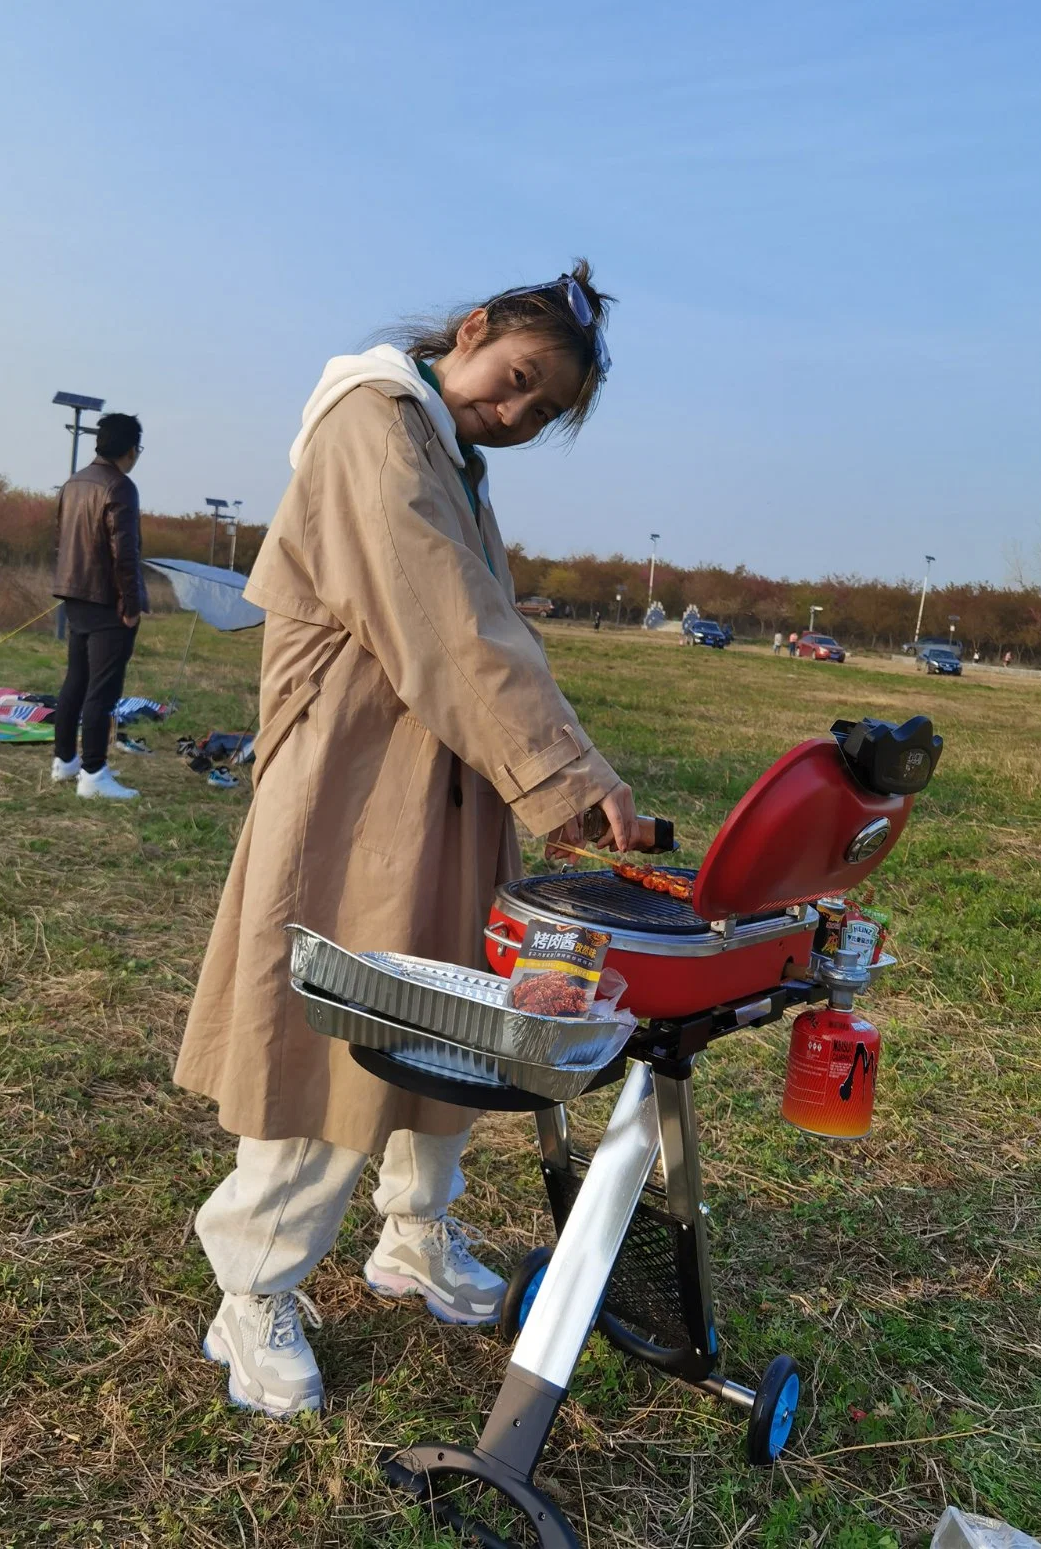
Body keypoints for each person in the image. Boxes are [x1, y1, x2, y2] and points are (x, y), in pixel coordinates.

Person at [175, 261, 642, 1417]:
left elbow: (479, 634)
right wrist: (566, 770)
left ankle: (412, 1234)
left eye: (540, 413)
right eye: (516, 381)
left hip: (446, 784)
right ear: (470, 330)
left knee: (457, 1026)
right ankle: (250, 1292)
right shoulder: (371, 424)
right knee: (338, 1028)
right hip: (356, 788)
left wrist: (544, 766)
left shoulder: (449, 452)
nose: (515, 414)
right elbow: (448, 620)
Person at [51, 413, 147, 801]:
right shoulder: (120, 486)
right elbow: (124, 552)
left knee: (76, 679)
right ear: (130, 449)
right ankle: (92, 773)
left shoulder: (73, 483)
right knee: (102, 689)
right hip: (108, 599)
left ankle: (65, 761)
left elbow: (63, 537)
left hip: (75, 593)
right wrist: (132, 603)